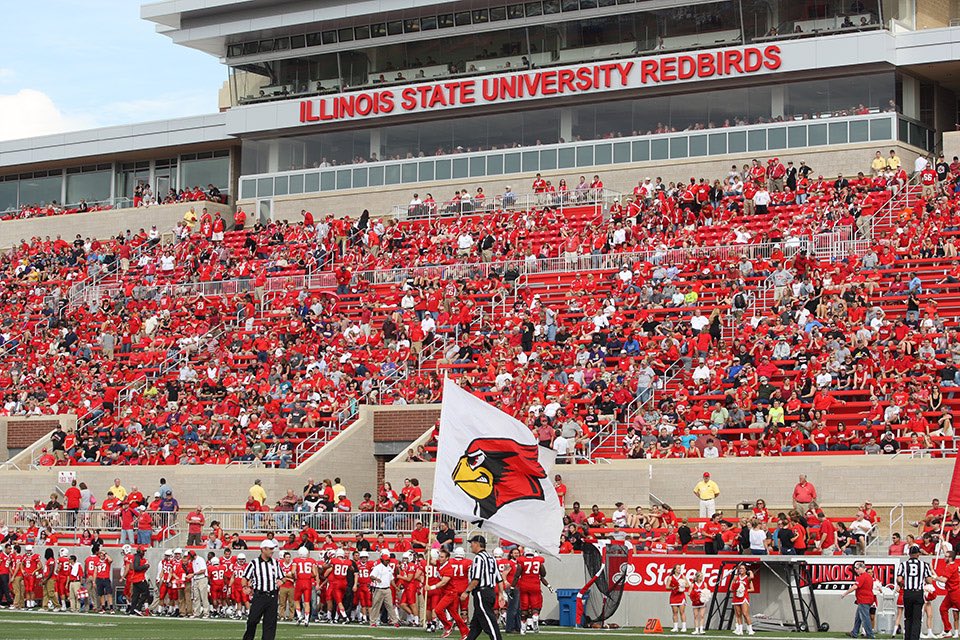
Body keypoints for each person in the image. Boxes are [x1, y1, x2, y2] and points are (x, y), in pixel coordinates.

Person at [463, 535, 505, 640]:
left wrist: (467, 592)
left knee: (489, 621)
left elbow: (476, 578)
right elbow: (499, 578)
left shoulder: (479, 558)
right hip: (489, 592)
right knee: (476, 625)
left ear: (477, 544)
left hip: (481, 592)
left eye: (472, 543)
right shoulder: (491, 558)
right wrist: (500, 593)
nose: (471, 546)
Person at [242, 539, 285, 640]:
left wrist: (281, 581)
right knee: (252, 620)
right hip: (259, 596)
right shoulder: (254, 563)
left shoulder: (275, 563)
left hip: (272, 596)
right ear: (263, 549)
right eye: (270, 549)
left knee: (270, 624)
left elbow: (283, 577)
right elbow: (245, 577)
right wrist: (245, 587)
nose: (272, 551)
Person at [429, 548, 468, 638]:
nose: (440, 558)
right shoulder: (439, 564)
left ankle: (448, 626)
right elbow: (430, 560)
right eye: (439, 556)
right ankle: (465, 632)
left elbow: (443, 582)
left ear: (447, 558)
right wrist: (427, 550)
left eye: (442, 557)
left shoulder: (448, 568)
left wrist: (431, 587)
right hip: (446, 592)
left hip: (450, 593)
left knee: (438, 610)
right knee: (454, 614)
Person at [898, 545, 933, 640]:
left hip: (908, 592)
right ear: (918, 554)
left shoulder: (904, 565)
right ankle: (914, 638)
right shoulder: (924, 565)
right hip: (918, 593)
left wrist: (901, 584)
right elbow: (929, 580)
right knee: (917, 619)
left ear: (909, 554)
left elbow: (899, 579)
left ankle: (907, 637)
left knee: (908, 617)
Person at [841, 561, 875, 639]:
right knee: (858, 617)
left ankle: (870, 634)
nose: (856, 570)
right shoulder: (868, 576)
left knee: (865, 617)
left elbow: (854, 587)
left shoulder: (862, 577)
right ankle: (855, 632)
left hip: (864, 599)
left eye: (857, 568)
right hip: (866, 599)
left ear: (861, 568)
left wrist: (845, 593)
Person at [368, 550, 400, 627]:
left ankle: (394, 621)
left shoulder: (389, 568)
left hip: (387, 589)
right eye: (386, 560)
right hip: (379, 589)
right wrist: (376, 579)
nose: (387, 561)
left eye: (388, 560)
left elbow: (391, 579)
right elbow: (371, 576)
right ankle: (373, 621)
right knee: (376, 605)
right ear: (382, 560)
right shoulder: (377, 567)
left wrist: (395, 587)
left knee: (390, 606)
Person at [934, 550, 960, 638]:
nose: (944, 558)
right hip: (951, 592)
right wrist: (943, 542)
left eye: (946, 556)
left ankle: (948, 630)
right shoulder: (952, 565)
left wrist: (935, 578)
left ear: (950, 558)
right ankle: (947, 630)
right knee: (943, 608)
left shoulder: (950, 567)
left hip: (955, 591)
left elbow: (944, 580)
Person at [730, 563, 754, 635]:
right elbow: (731, 588)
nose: (741, 570)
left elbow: (752, 577)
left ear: (745, 570)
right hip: (736, 597)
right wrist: (735, 585)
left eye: (743, 568)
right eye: (740, 568)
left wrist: (750, 572)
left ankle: (750, 629)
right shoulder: (736, 577)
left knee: (745, 613)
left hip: (744, 597)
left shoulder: (747, 578)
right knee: (738, 614)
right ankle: (740, 630)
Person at [665, 564, 688, 633]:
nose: (679, 569)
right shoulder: (670, 577)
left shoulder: (683, 576)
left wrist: (682, 586)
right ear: (674, 569)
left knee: (682, 612)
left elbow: (688, 585)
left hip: (681, 596)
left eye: (680, 568)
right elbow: (667, 587)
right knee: (675, 612)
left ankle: (684, 627)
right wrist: (673, 587)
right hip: (674, 596)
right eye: (678, 568)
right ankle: (675, 627)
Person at [689, 571, 709, 635]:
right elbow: (689, 593)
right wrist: (694, 596)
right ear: (697, 577)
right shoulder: (693, 584)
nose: (702, 578)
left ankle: (701, 629)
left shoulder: (704, 584)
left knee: (702, 615)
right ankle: (696, 629)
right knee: (696, 616)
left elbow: (707, 592)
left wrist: (703, 595)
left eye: (702, 576)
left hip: (702, 602)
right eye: (700, 576)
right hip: (695, 602)